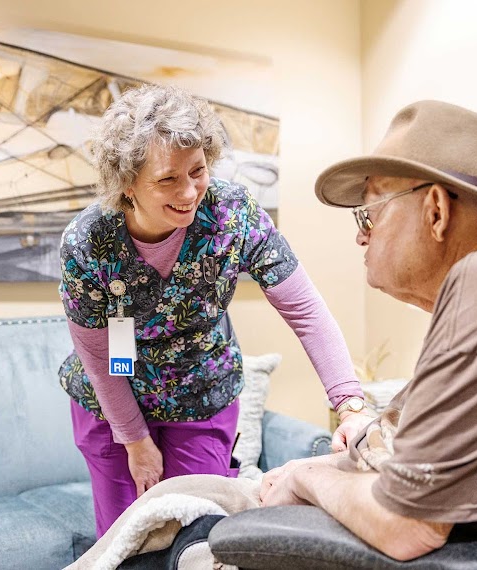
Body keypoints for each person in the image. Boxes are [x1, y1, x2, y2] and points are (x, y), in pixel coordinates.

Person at [57, 83, 372, 537]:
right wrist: (135, 439)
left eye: (198, 170)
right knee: (127, 541)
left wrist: (350, 404)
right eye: (168, 178)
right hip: (111, 406)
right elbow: (97, 353)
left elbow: (304, 308)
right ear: (127, 183)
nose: (189, 191)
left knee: (201, 534)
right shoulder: (87, 242)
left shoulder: (232, 214)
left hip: (201, 394)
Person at [259, 99, 477, 561]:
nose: (362, 235)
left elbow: (407, 525)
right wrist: (320, 464)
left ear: (435, 211)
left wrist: (304, 478)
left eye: (370, 213)